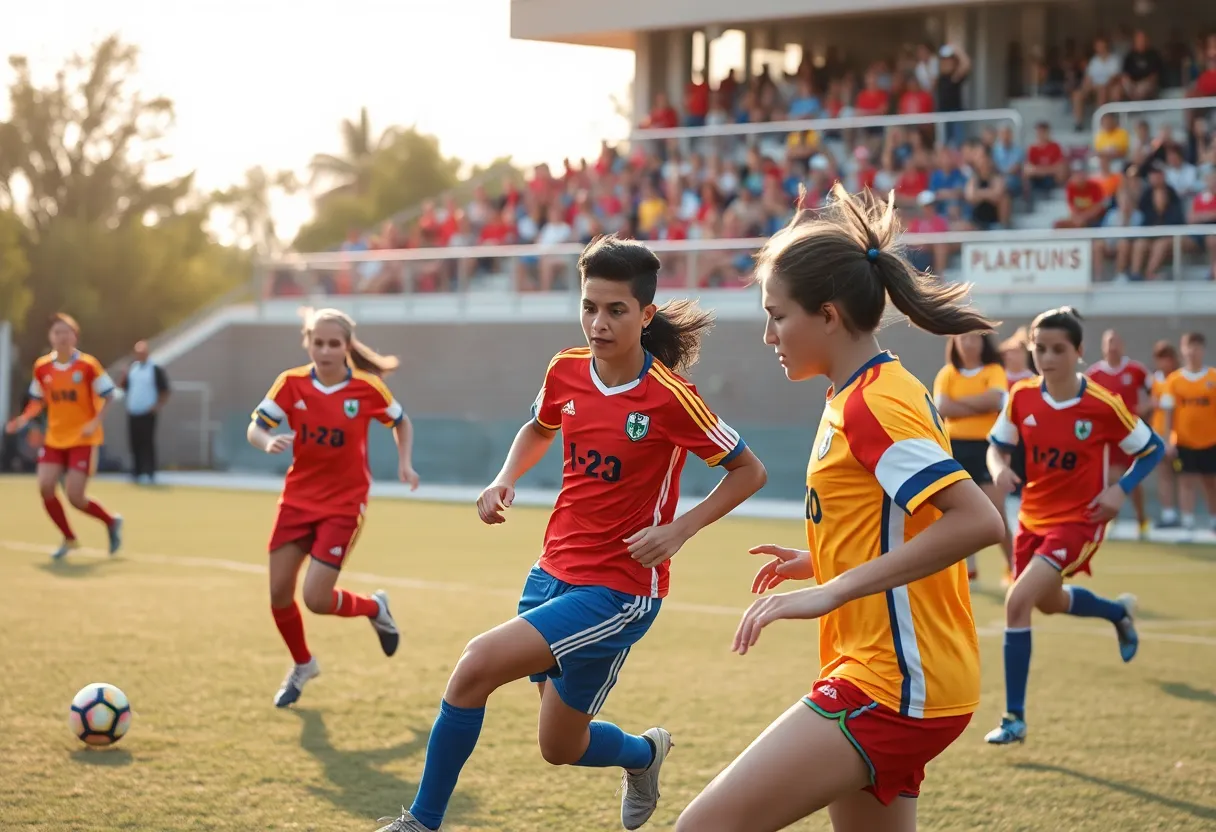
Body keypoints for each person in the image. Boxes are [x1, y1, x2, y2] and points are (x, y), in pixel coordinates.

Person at [375, 235, 767, 832]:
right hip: (552, 572)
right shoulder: (565, 370)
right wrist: (505, 478)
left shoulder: (670, 398)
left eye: (615, 310)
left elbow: (750, 470)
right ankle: (645, 754)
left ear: (646, 315)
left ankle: (420, 823)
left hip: (619, 589)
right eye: (589, 306)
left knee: (475, 664)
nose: (598, 322)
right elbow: (538, 427)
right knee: (560, 745)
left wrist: (678, 530)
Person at [673, 185, 1006, 832]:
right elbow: (900, 517)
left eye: (778, 315)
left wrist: (833, 590)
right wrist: (818, 559)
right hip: (905, 676)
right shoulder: (859, 390)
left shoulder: (871, 403)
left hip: (894, 683)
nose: (768, 334)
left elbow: (977, 521)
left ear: (828, 315)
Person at [984, 307, 1163, 746]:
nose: (1046, 358)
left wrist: (1121, 490)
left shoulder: (1102, 404)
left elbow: (1153, 449)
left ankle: (1014, 718)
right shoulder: (1022, 395)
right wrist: (999, 469)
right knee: (1046, 603)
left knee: (1017, 600)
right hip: (1031, 519)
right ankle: (1118, 613)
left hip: (1080, 521)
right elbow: (997, 447)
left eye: (1058, 349)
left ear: (1079, 352)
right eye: (1039, 348)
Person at [248, 308, 420, 708]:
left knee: (316, 599)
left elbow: (402, 422)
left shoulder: (367, 389)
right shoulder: (290, 384)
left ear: (346, 347)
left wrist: (405, 462)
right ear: (307, 343)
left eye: (333, 343)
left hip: (344, 505)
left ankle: (374, 607)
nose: (324, 350)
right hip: (296, 501)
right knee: (278, 593)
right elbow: (257, 425)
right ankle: (303, 664)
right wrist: (264, 441)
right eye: (317, 342)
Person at [4, 313, 123, 559]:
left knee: (75, 497)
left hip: (82, 439)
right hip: (55, 438)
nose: (61, 336)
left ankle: (111, 521)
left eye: (66, 332)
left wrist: (94, 422)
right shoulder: (42, 367)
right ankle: (69, 539)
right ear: (50, 337)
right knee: (45, 486)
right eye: (57, 332)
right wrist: (22, 420)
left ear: (75, 336)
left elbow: (110, 395)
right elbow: (37, 401)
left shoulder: (88, 365)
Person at [933, 332, 1014, 584]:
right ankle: (969, 569)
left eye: (974, 338)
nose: (968, 343)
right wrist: (978, 404)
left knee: (996, 513)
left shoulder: (994, 370)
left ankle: (1014, 566)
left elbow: (995, 400)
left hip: (987, 448)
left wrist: (960, 405)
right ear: (954, 342)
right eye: (963, 338)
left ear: (983, 342)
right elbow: (942, 408)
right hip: (954, 447)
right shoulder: (947, 373)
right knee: (957, 512)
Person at [1085, 329, 1151, 537]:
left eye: (1116, 341)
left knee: (1134, 478)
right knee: (1110, 478)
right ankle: (1111, 520)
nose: (1112, 346)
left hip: (1131, 432)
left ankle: (1142, 521)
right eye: (1108, 342)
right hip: (1106, 435)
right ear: (1103, 346)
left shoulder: (1135, 370)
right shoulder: (1094, 374)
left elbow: (1156, 391)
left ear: (1122, 345)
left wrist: (1145, 409)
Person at [1159, 332, 1216, 534]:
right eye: (1188, 347)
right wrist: (1168, 441)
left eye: (1197, 347)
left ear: (1203, 350)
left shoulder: (1213, 378)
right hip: (1183, 441)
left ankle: (1213, 521)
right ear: (1183, 350)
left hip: (1211, 441)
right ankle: (1188, 523)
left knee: (1211, 483)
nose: (1192, 352)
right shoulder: (1174, 380)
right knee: (1186, 482)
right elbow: (1168, 412)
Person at [120, 340, 171, 484]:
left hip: (148, 412)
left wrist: (157, 406)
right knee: (134, 442)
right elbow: (123, 387)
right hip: (133, 411)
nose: (140, 355)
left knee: (147, 443)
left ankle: (149, 472)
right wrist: (124, 375)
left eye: (142, 352)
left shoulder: (155, 369)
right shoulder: (132, 369)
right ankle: (136, 472)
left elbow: (165, 389)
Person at [1148, 340, 1181, 527]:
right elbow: (1153, 404)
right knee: (1164, 474)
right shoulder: (1156, 379)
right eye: (1161, 359)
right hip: (1160, 432)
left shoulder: (1178, 378)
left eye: (1168, 358)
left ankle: (1186, 514)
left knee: (1184, 476)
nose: (1165, 363)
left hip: (1179, 433)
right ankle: (1168, 513)